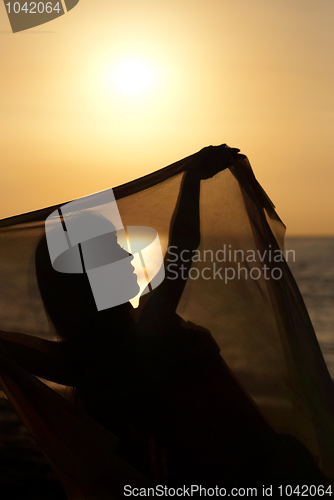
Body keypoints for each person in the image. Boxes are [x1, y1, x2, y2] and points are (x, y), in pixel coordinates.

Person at [0, 145, 329, 491]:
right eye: (113, 248)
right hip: (259, 476)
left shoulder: (83, 360)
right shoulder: (148, 330)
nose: (128, 253)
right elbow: (183, 247)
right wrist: (192, 181)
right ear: (88, 275)